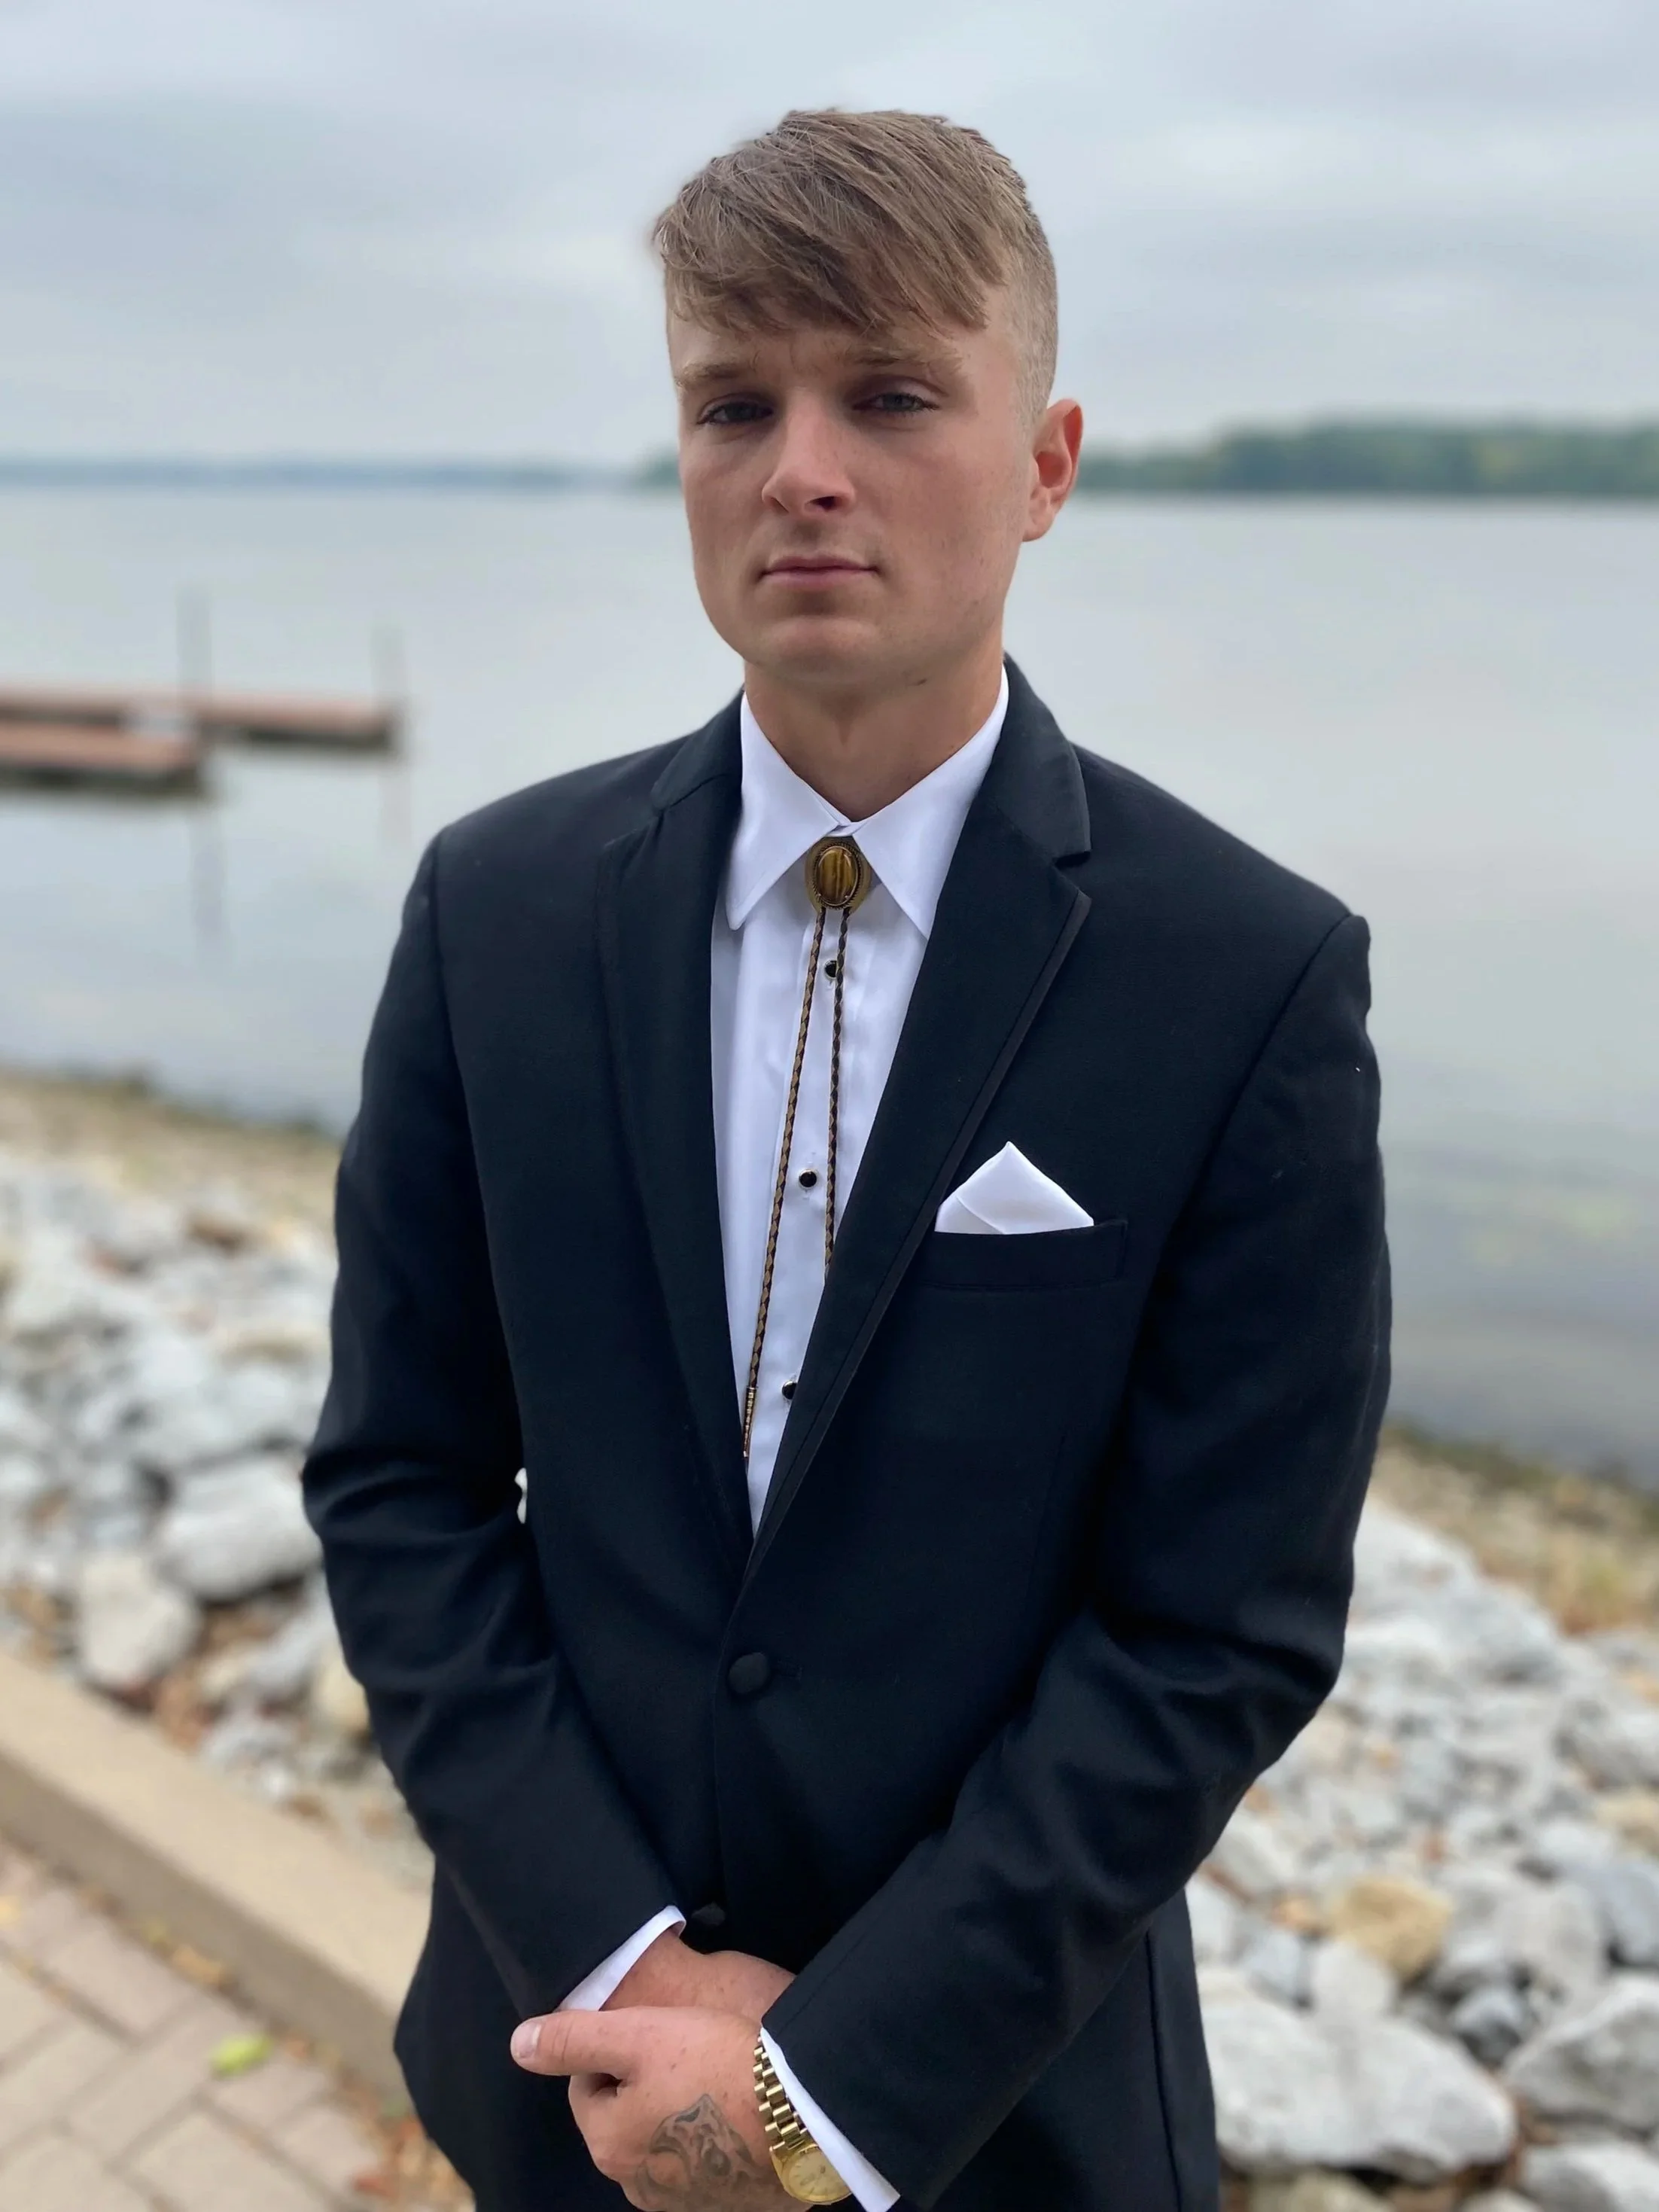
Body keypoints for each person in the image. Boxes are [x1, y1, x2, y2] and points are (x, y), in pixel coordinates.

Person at [303, 108, 1389, 2212]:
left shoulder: (1242, 974)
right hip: (563, 2063)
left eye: (889, 393)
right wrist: (631, 1963)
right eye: (734, 404)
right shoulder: (493, 911)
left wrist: (829, 2084)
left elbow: (1213, 1629)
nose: (801, 463)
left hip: (994, 2118)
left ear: (1048, 461)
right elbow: (402, 1483)